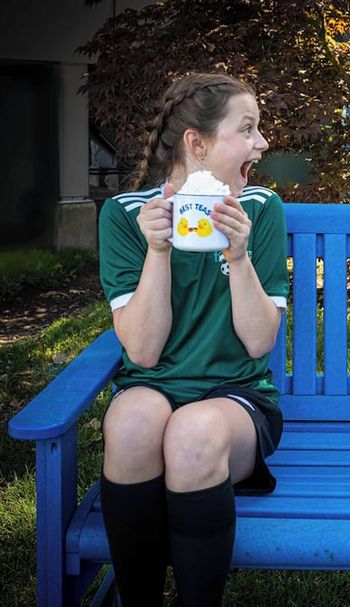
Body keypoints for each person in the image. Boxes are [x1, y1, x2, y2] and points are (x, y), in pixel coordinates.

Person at [97, 72, 289, 606]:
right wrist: (158, 252)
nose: (261, 143)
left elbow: (259, 343)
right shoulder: (127, 216)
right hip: (152, 386)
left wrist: (239, 257)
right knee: (131, 424)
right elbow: (142, 352)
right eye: (246, 129)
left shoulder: (260, 208)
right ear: (197, 144)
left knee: (192, 433)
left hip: (236, 398)